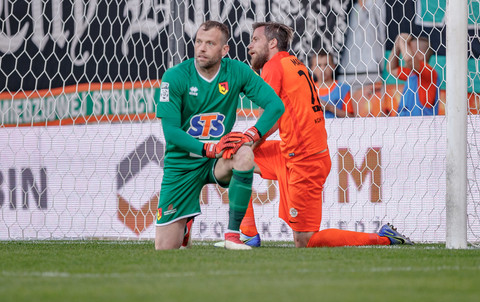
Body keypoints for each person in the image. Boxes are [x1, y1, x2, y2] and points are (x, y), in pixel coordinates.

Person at [215, 22, 412, 248]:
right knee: (232, 158)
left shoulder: (274, 66)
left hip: (304, 161)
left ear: (272, 43)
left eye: (255, 40)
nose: (249, 46)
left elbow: (268, 119)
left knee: (305, 240)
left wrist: (249, 141)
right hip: (290, 152)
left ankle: (385, 238)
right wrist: (248, 146)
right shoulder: (293, 63)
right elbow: (275, 120)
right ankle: (249, 233)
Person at [154, 20, 284, 250]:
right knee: (165, 250)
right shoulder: (174, 77)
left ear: (224, 50)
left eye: (210, 43)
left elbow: (275, 105)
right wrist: (208, 149)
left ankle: (233, 235)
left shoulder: (236, 71)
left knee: (244, 154)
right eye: (198, 42)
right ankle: (184, 225)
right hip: (182, 164)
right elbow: (171, 132)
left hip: (218, 161)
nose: (201, 48)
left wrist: (252, 135)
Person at [387, 33, 439, 116]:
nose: (403, 51)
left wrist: (403, 41)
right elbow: (391, 68)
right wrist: (397, 45)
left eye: (408, 48)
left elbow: (409, 59)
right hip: (404, 125)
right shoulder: (411, 74)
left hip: (422, 126)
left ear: (420, 55)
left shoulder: (429, 72)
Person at [310, 50, 355, 118]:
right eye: (319, 65)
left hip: (337, 128)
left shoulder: (342, 89)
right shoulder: (309, 90)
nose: (323, 69)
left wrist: (330, 108)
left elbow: (351, 117)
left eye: (326, 65)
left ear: (333, 66)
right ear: (312, 68)